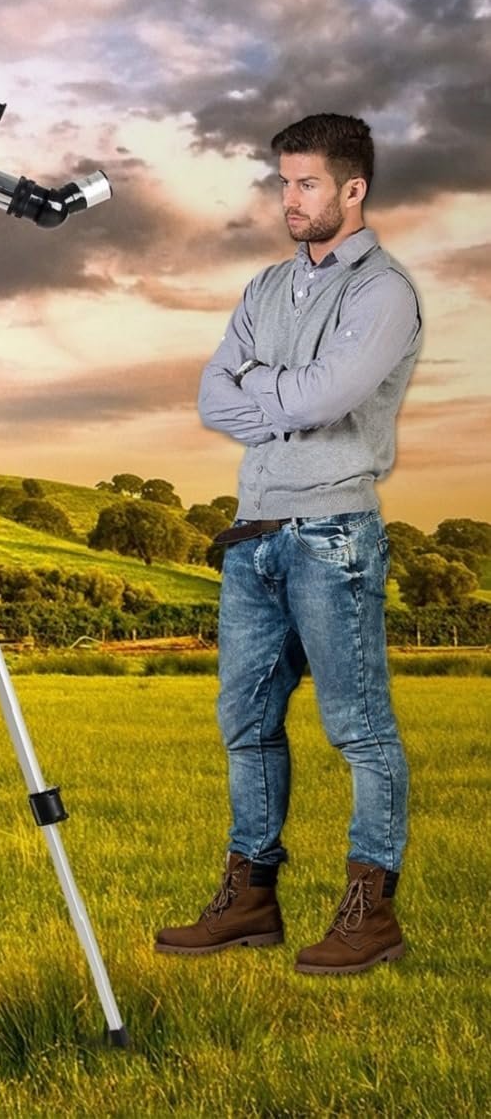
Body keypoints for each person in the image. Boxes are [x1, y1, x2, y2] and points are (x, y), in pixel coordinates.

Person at [156, 113, 421, 974]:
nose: (289, 199)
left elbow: (325, 396)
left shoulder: (383, 292)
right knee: (244, 722)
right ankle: (250, 897)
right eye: (282, 183)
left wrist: (262, 390)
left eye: (307, 183)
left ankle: (368, 907)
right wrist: (285, 391)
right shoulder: (265, 288)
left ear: (353, 189)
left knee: (358, 727)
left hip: (333, 532)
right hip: (253, 536)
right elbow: (210, 396)